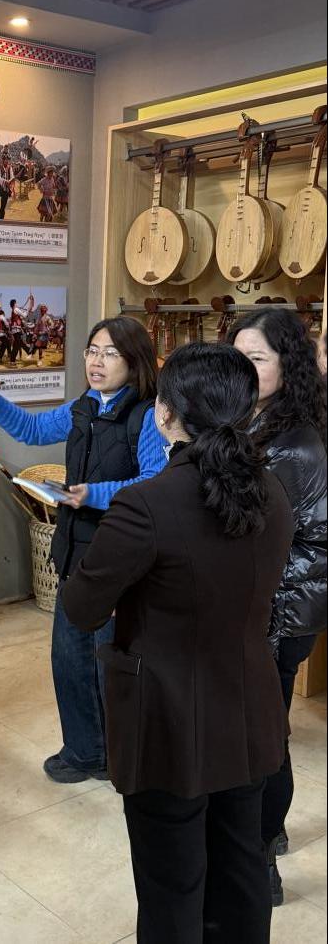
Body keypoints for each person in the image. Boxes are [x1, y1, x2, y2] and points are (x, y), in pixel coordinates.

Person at [63, 342, 294, 943]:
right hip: (248, 708)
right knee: (240, 868)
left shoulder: (146, 504)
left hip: (167, 719)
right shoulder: (271, 491)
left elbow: (82, 607)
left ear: (165, 413)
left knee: (172, 883)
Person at [0, 316, 166, 783]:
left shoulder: (148, 416)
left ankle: (120, 758)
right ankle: (83, 752)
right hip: (74, 551)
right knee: (69, 659)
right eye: (92, 351)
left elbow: (153, 485)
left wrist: (92, 494)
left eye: (110, 354)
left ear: (134, 361)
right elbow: (34, 430)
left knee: (107, 663)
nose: (97, 362)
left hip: (118, 557)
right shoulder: (83, 406)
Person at [229, 308, 327, 902]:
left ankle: (263, 858)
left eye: (257, 358)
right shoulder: (254, 421)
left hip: (280, 615)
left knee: (265, 738)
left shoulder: (294, 444)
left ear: (288, 366)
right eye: (237, 356)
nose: (243, 368)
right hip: (262, 608)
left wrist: (260, 601)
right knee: (264, 731)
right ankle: (270, 833)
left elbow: (313, 547)